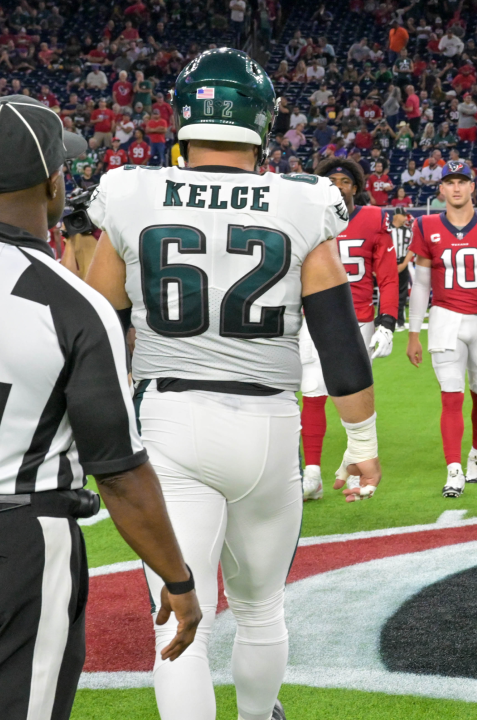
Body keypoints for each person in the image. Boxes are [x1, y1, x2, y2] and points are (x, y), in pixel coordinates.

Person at [84, 50, 383, 720]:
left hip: (170, 420)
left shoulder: (133, 194)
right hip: (268, 425)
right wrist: (361, 441)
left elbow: (97, 330)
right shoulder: (302, 201)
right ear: (262, 119)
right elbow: (339, 341)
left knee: (180, 615)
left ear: (183, 119)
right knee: (260, 609)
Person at [0, 94, 201, 720]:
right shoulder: (71, 304)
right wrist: (178, 578)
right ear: (52, 182)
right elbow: (117, 470)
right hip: (22, 536)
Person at [406, 161, 477, 496]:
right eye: (449, 182)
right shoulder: (425, 225)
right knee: (450, 397)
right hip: (444, 319)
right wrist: (413, 331)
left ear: (473, 187)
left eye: (462, 181)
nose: (455, 188)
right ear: (440, 189)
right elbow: (421, 285)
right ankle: (454, 469)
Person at [297, 157, 400, 500]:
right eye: (332, 180)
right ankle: (312, 473)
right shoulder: (309, 219)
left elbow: (387, 275)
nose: (339, 186)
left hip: (359, 319)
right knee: (311, 390)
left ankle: (356, 456)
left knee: (354, 393)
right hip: (313, 316)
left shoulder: (373, 219)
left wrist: (388, 320)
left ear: (356, 186)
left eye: (345, 180)